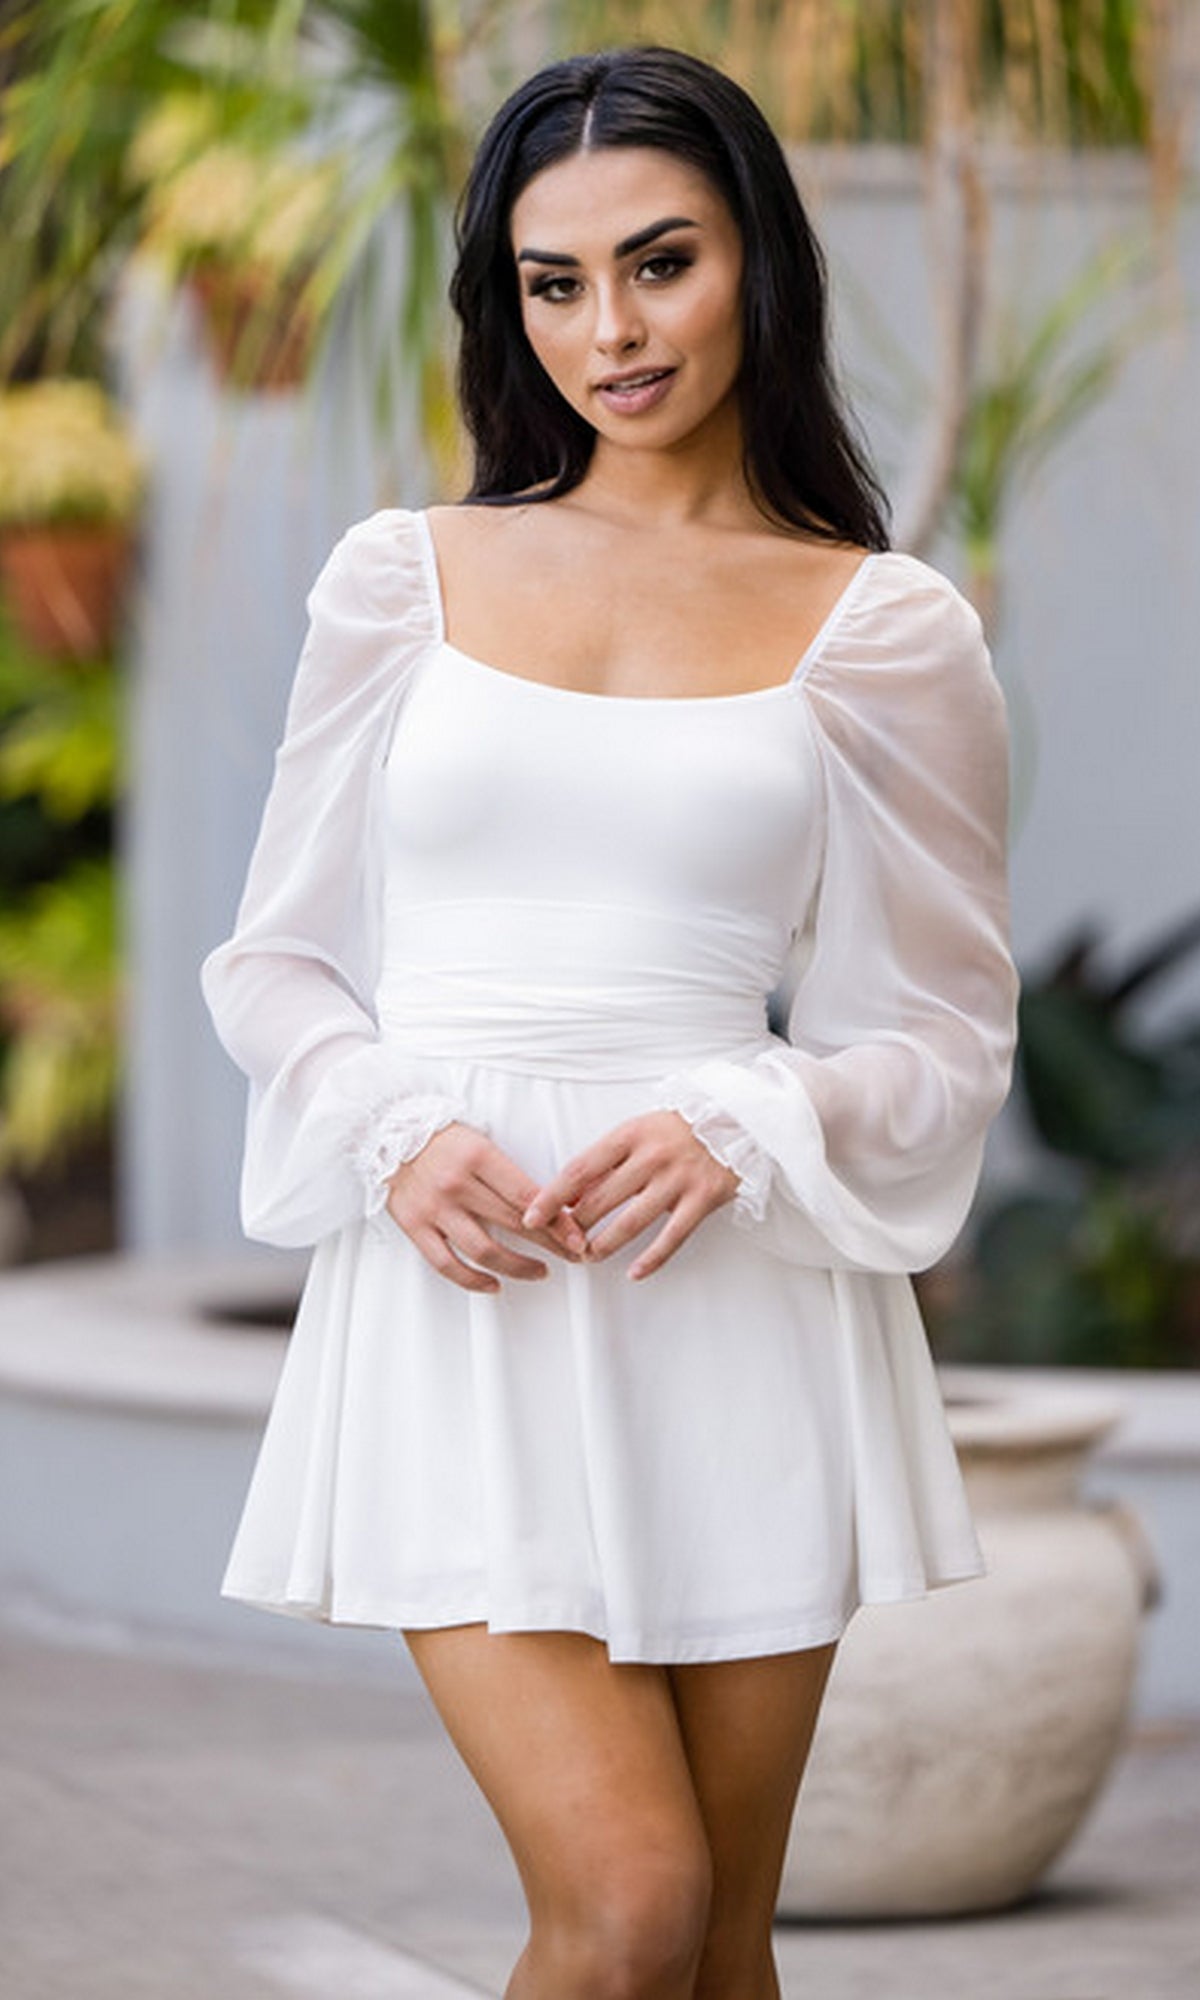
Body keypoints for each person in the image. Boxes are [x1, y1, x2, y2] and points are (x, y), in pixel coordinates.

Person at [201, 42, 1019, 2000]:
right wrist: (393, 1124)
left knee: (721, 1942)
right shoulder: (403, 581)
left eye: (661, 263)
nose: (612, 332)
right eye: (554, 284)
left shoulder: (885, 627)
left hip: (734, 1292)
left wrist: (750, 1120)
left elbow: (945, 1029)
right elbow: (273, 960)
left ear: (758, 263)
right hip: (465, 1279)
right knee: (631, 1902)